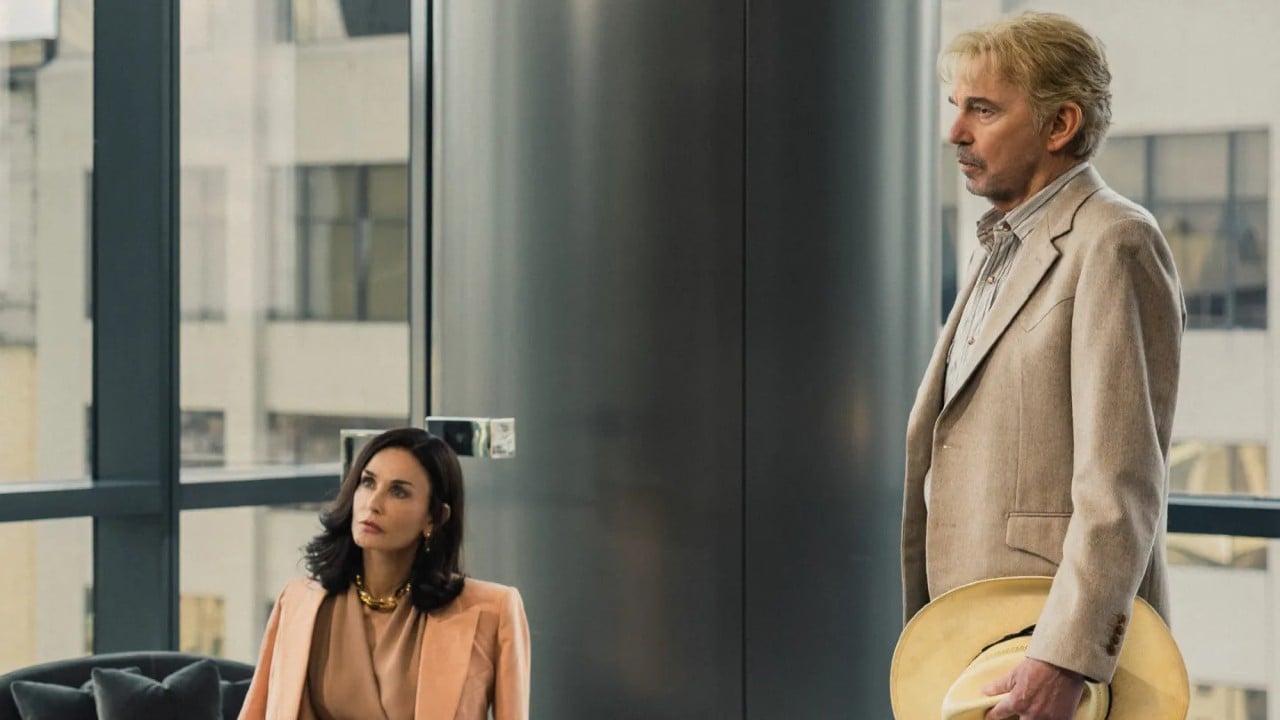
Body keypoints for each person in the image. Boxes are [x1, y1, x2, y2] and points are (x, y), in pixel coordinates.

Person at [900, 11, 1184, 719]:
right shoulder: (1001, 245)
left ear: (1060, 125)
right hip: (973, 642)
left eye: (983, 109)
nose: (954, 131)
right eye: (955, 106)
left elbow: (1121, 483)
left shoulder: (1114, 241)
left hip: (1050, 663)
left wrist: (1066, 657)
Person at [239, 427, 531, 720]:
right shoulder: (299, 601)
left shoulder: (493, 610)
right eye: (368, 482)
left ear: (434, 518)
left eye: (398, 491)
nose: (373, 504)